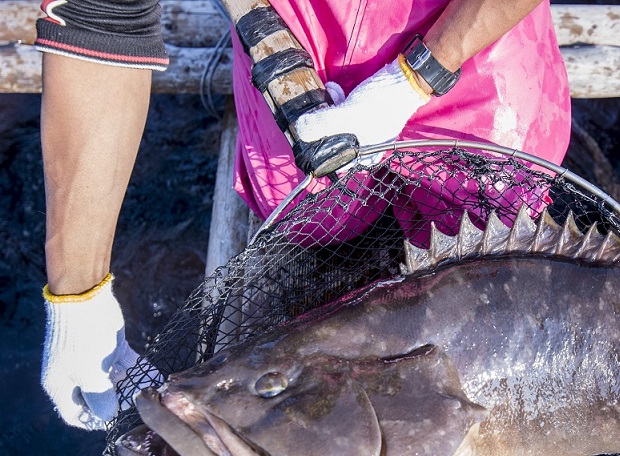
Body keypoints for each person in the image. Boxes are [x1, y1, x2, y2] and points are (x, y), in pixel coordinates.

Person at [37, 0, 571, 429]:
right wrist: (77, 295)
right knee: (318, 230)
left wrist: (412, 80)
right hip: (299, 78)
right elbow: (100, 15)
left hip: (474, 55)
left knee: (487, 267)